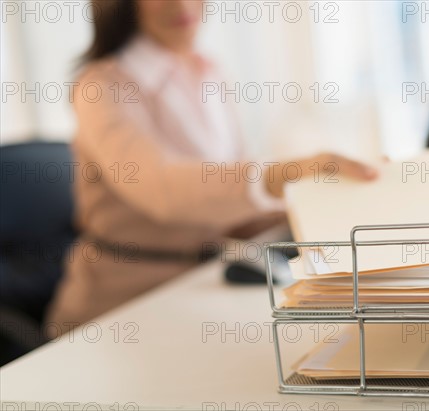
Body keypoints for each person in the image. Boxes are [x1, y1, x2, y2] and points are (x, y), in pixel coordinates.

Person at [45, 0, 378, 336]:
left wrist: (324, 202)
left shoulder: (209, 72)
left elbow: (235, 206)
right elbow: (162, 188)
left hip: (201, 291)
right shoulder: (100, 86)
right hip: (114, 314)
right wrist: (284, 175)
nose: (182, 4)